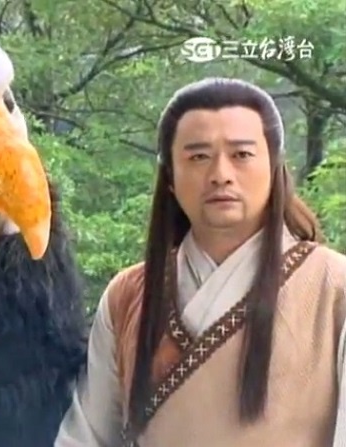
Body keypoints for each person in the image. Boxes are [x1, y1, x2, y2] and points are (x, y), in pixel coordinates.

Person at [54, 77, 346, 447]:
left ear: (275, 167)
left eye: (241, 155)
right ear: (170, 178)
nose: (221, 175)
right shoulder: (127, 297)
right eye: (198, 157)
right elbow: (86, 436)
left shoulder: (334, 287)